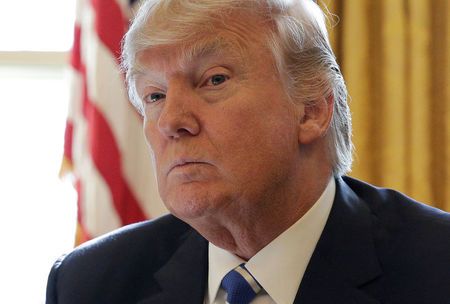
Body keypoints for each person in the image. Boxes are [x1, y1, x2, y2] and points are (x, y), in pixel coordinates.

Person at [46, 0, 450, 303]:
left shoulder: (436, 269)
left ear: (311, 109)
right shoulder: (91, 284)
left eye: (213, 80)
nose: (171, 121)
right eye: (154, 95)